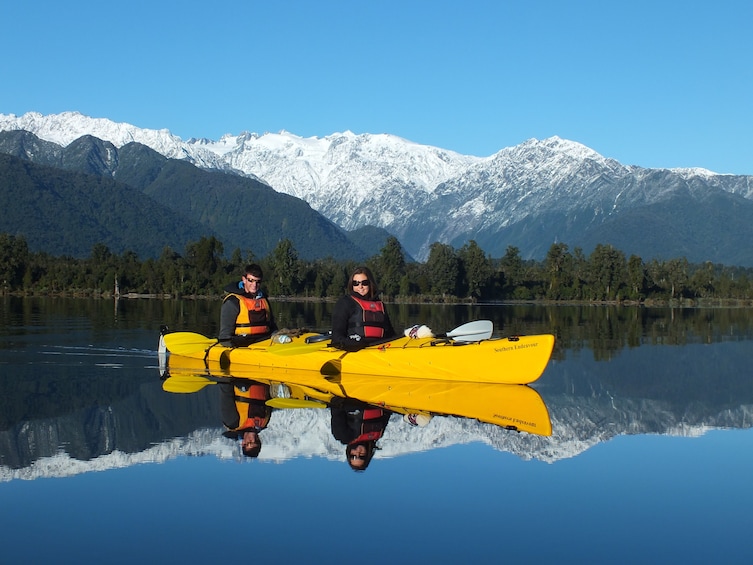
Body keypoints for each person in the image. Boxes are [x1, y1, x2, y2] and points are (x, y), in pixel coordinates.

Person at [331, 266, 396, 351]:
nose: (360, 286)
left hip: (378, 349)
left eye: (364, 283)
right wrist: (351, 344)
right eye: (356, 283)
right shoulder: (345, 303)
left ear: (370, 283)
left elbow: (391, 334)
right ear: (352, 285)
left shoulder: (380, 305)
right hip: (355, 350)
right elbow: (336, 337)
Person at [219, 264, 277, 347]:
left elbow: (272, 327)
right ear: (244, 279)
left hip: (264, 341)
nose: (254, 285)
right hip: (241, 343)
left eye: (258, 281)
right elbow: (225, 336)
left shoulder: (264, 299)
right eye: (251, 280)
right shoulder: (233, 301)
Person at [329, 396, 392, 471]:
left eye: (353, 456)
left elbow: (336, 406)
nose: (358, 453)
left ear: (349, 453)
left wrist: (351, 405)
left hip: (354, 395)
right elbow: (387, 412)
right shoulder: (378, 435)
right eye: (361, 456)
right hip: (379, 397)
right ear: (367, 455)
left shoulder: (343, 436)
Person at [219, 378, 272, 458]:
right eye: (257, 441)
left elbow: (226, 394)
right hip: (262, 378)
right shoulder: (264, 422)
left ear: (243, 443)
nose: (253, 438)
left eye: (250, 442)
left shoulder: (233, 423)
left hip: (241, 377)